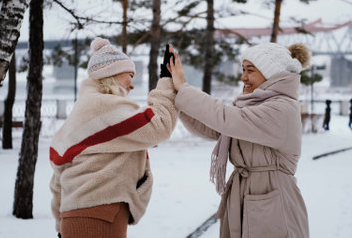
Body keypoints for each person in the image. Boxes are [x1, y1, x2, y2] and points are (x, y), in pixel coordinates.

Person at [167, 43, 310, 238]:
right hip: (248, 197)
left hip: (273, 204)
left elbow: (226, 119)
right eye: (243, 70)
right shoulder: (253, 105)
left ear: (271, 74)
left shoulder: (282, 109)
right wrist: (177, 97)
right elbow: (215, 127)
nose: (243, 77)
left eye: (250, 70)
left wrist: (184, 88)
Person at [49, 38, 178, 238]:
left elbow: (58, 178)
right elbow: (159, 125)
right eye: (130, 75)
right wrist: (166, 80)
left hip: (73, 219)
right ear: (111, 74)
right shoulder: (104, 107)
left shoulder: (80, 112)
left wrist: (61, 223)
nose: (132, 85)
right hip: (101, 216)